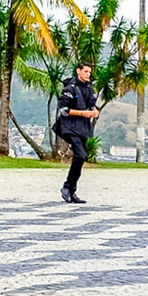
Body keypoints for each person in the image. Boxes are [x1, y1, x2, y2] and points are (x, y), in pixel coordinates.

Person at [55, 61, 98, 204]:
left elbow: (92, 105)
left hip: (83, 128)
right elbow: (63, 110)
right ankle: (67, 187)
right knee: (80, 155)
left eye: (89, 72)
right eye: (85, 71)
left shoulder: (90, 89)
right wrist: (82, 113)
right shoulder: (70, 88)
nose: (88, 74)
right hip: (69, 127)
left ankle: (71, 191)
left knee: (80, 158)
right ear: (78, 71)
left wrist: (94, 111)